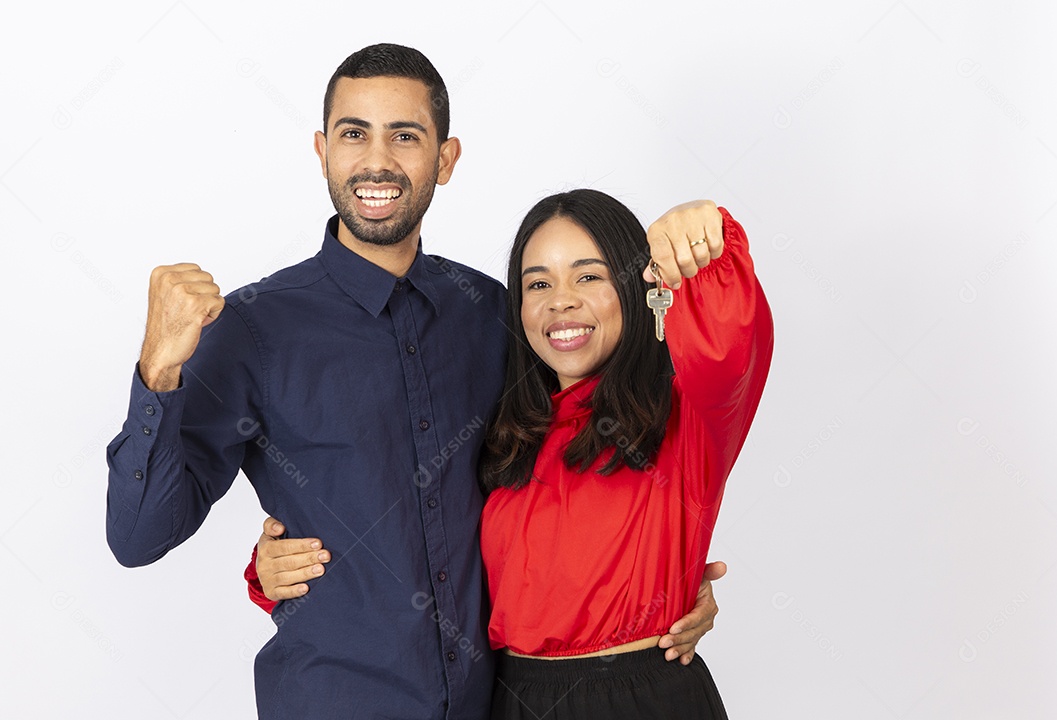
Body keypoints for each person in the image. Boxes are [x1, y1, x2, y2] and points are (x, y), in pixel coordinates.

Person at [105, 44, 721, 719]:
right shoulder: (252, 329)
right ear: (322, 151)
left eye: (404, 136)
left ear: (445, 159)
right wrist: (158, 369)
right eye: (354, 134)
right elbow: (138, 538)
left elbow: (587, 466)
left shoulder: (496, 315)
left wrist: (671, 586)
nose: (378, 161)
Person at [251, 190, 773, 718]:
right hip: (509, 698)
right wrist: (279, 570)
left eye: (589, 277)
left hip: (638, 700)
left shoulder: (687, 415)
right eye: (538, 284)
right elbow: (421, 535)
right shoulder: (509, 432)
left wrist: (706, 236)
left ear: (636, 286)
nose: (561, 301)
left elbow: (730, 340)